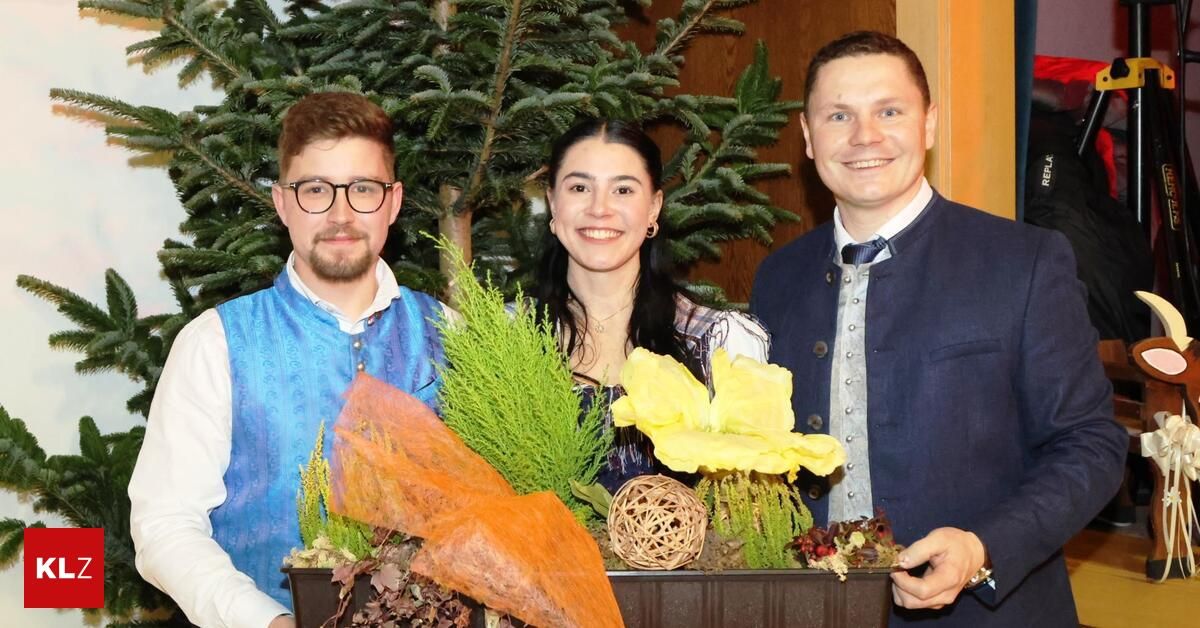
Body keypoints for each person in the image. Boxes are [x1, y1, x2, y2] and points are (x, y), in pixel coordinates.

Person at [750, 31, 1126, 626]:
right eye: (839, 115)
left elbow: (1091, 444)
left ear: (928, 124)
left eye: (889, 111)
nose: (864, 136)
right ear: (808, 136)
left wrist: (983, 547)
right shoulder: (777, 278)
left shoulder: (1023, 262)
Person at [129, 92, 449, 628]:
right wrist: (269, 622)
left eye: (363, 188)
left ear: (393, 202)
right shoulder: (216, 343)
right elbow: (165, 524)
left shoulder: (451, 335)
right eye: (316, 189)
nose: (341, 214)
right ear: (282, 204)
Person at [534, 119, 771, 492]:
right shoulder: (506, 338)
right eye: (579, 187)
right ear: (553, 203)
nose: (599, 209)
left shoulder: (720, 342)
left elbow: (750, 503)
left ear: (653, 208)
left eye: (623, 190)